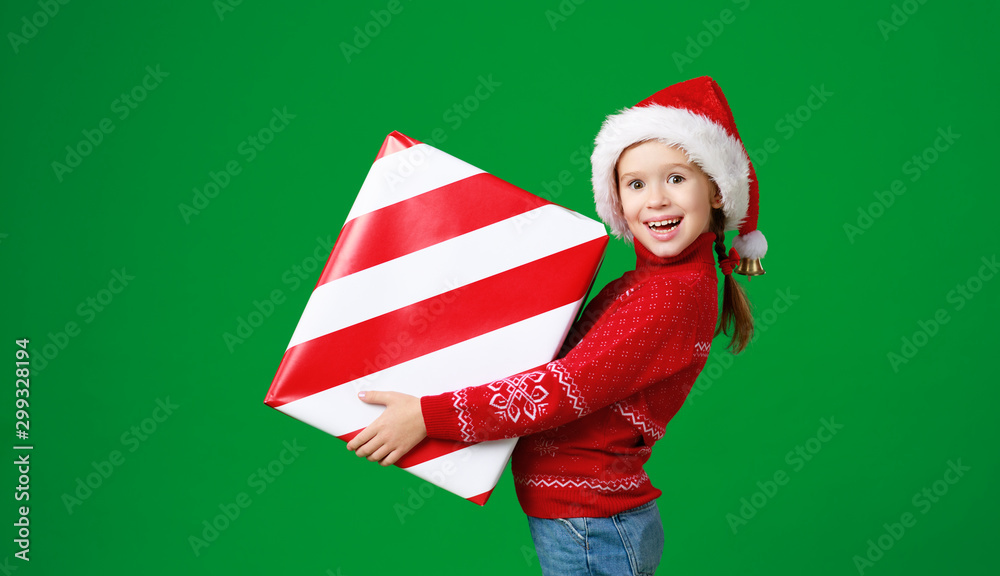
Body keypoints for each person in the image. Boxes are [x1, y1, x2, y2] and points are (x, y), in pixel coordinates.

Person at [346, 76, 769, 576]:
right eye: (635, 183)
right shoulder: (645, 286)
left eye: (676, 178)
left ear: (717, 192)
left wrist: (429, 416)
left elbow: (563, 388)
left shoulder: (668, 298)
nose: (655, 199)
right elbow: (555, 353)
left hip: (594, 527)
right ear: (616, 199)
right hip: (588, 520)